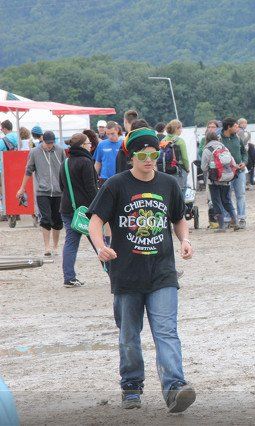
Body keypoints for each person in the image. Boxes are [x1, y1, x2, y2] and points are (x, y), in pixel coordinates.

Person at [87, 127, 196, 413]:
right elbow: (95, 221)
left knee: (166, 331)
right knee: (129, 337)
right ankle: (131, 386)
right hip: (126, 274)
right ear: (131, 156)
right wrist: (100, 247)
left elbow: (178, 218)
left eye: (154, 155)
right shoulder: (115, 185)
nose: (149, 160)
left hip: (162, 272)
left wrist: (184, 240)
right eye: (143, 155)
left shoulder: (169, 184)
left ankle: (175, 388)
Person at [16, 131, 65, 256]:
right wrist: (22, 188)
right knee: (45, 219)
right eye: (47, 143)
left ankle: (55, 246)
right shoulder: (34, 152)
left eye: (51, 143)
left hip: (58, 192)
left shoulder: (60, 150)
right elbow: (28, 171)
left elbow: (65, 169)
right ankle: (47, 247)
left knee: (57, 220)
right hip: (42, 191)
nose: (49, 145)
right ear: (42, 140)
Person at [58, 133, 98, 287]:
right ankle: (113, 273)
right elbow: (91, 188)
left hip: (67, 207)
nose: (90, 145)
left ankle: (69, 277)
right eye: (88, 143)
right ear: (82, 146)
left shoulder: (65, 162)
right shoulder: (86, 162)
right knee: (99, 242)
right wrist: (98, 208)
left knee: (71, 242)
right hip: (86, 210)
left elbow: (62, 186)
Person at [201, 130, 238, 232]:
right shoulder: (224, 148)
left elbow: (204, 168)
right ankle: (235, 222)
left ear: (207, 139)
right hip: (226, 177)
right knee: (227, 201)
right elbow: (233, 163)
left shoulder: (207, 150)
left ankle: (222, 227)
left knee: (216, 202)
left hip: (214, 180)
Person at [220, 117, 247, 229]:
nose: (237, 127)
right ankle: (227, 219)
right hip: (226, 173)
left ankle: (241, 218)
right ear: (228, 127)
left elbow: (244, 153)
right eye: (235, 126)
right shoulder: (219, 140)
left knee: (240, 195)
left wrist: (244, 162)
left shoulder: (238, 138)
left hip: (240, 171)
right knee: (226, 196)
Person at [161, 119, 190, 192]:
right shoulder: (180, 141)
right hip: (179, 169)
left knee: (169, 191)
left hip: (166, 169)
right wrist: (187, 168)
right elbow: (184, 158)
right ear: (176, 129)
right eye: (180, 128)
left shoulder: (163, 140)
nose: (181, 130)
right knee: (181, 190)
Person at [94, 121, 123, 186]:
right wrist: (94, 178)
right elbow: (98, 163)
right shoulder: (101, 144)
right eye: (108, 134)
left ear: (117, 130)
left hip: (120, 178)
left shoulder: (123, 144)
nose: (110, 136)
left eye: (112, 133)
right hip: (105, 179)